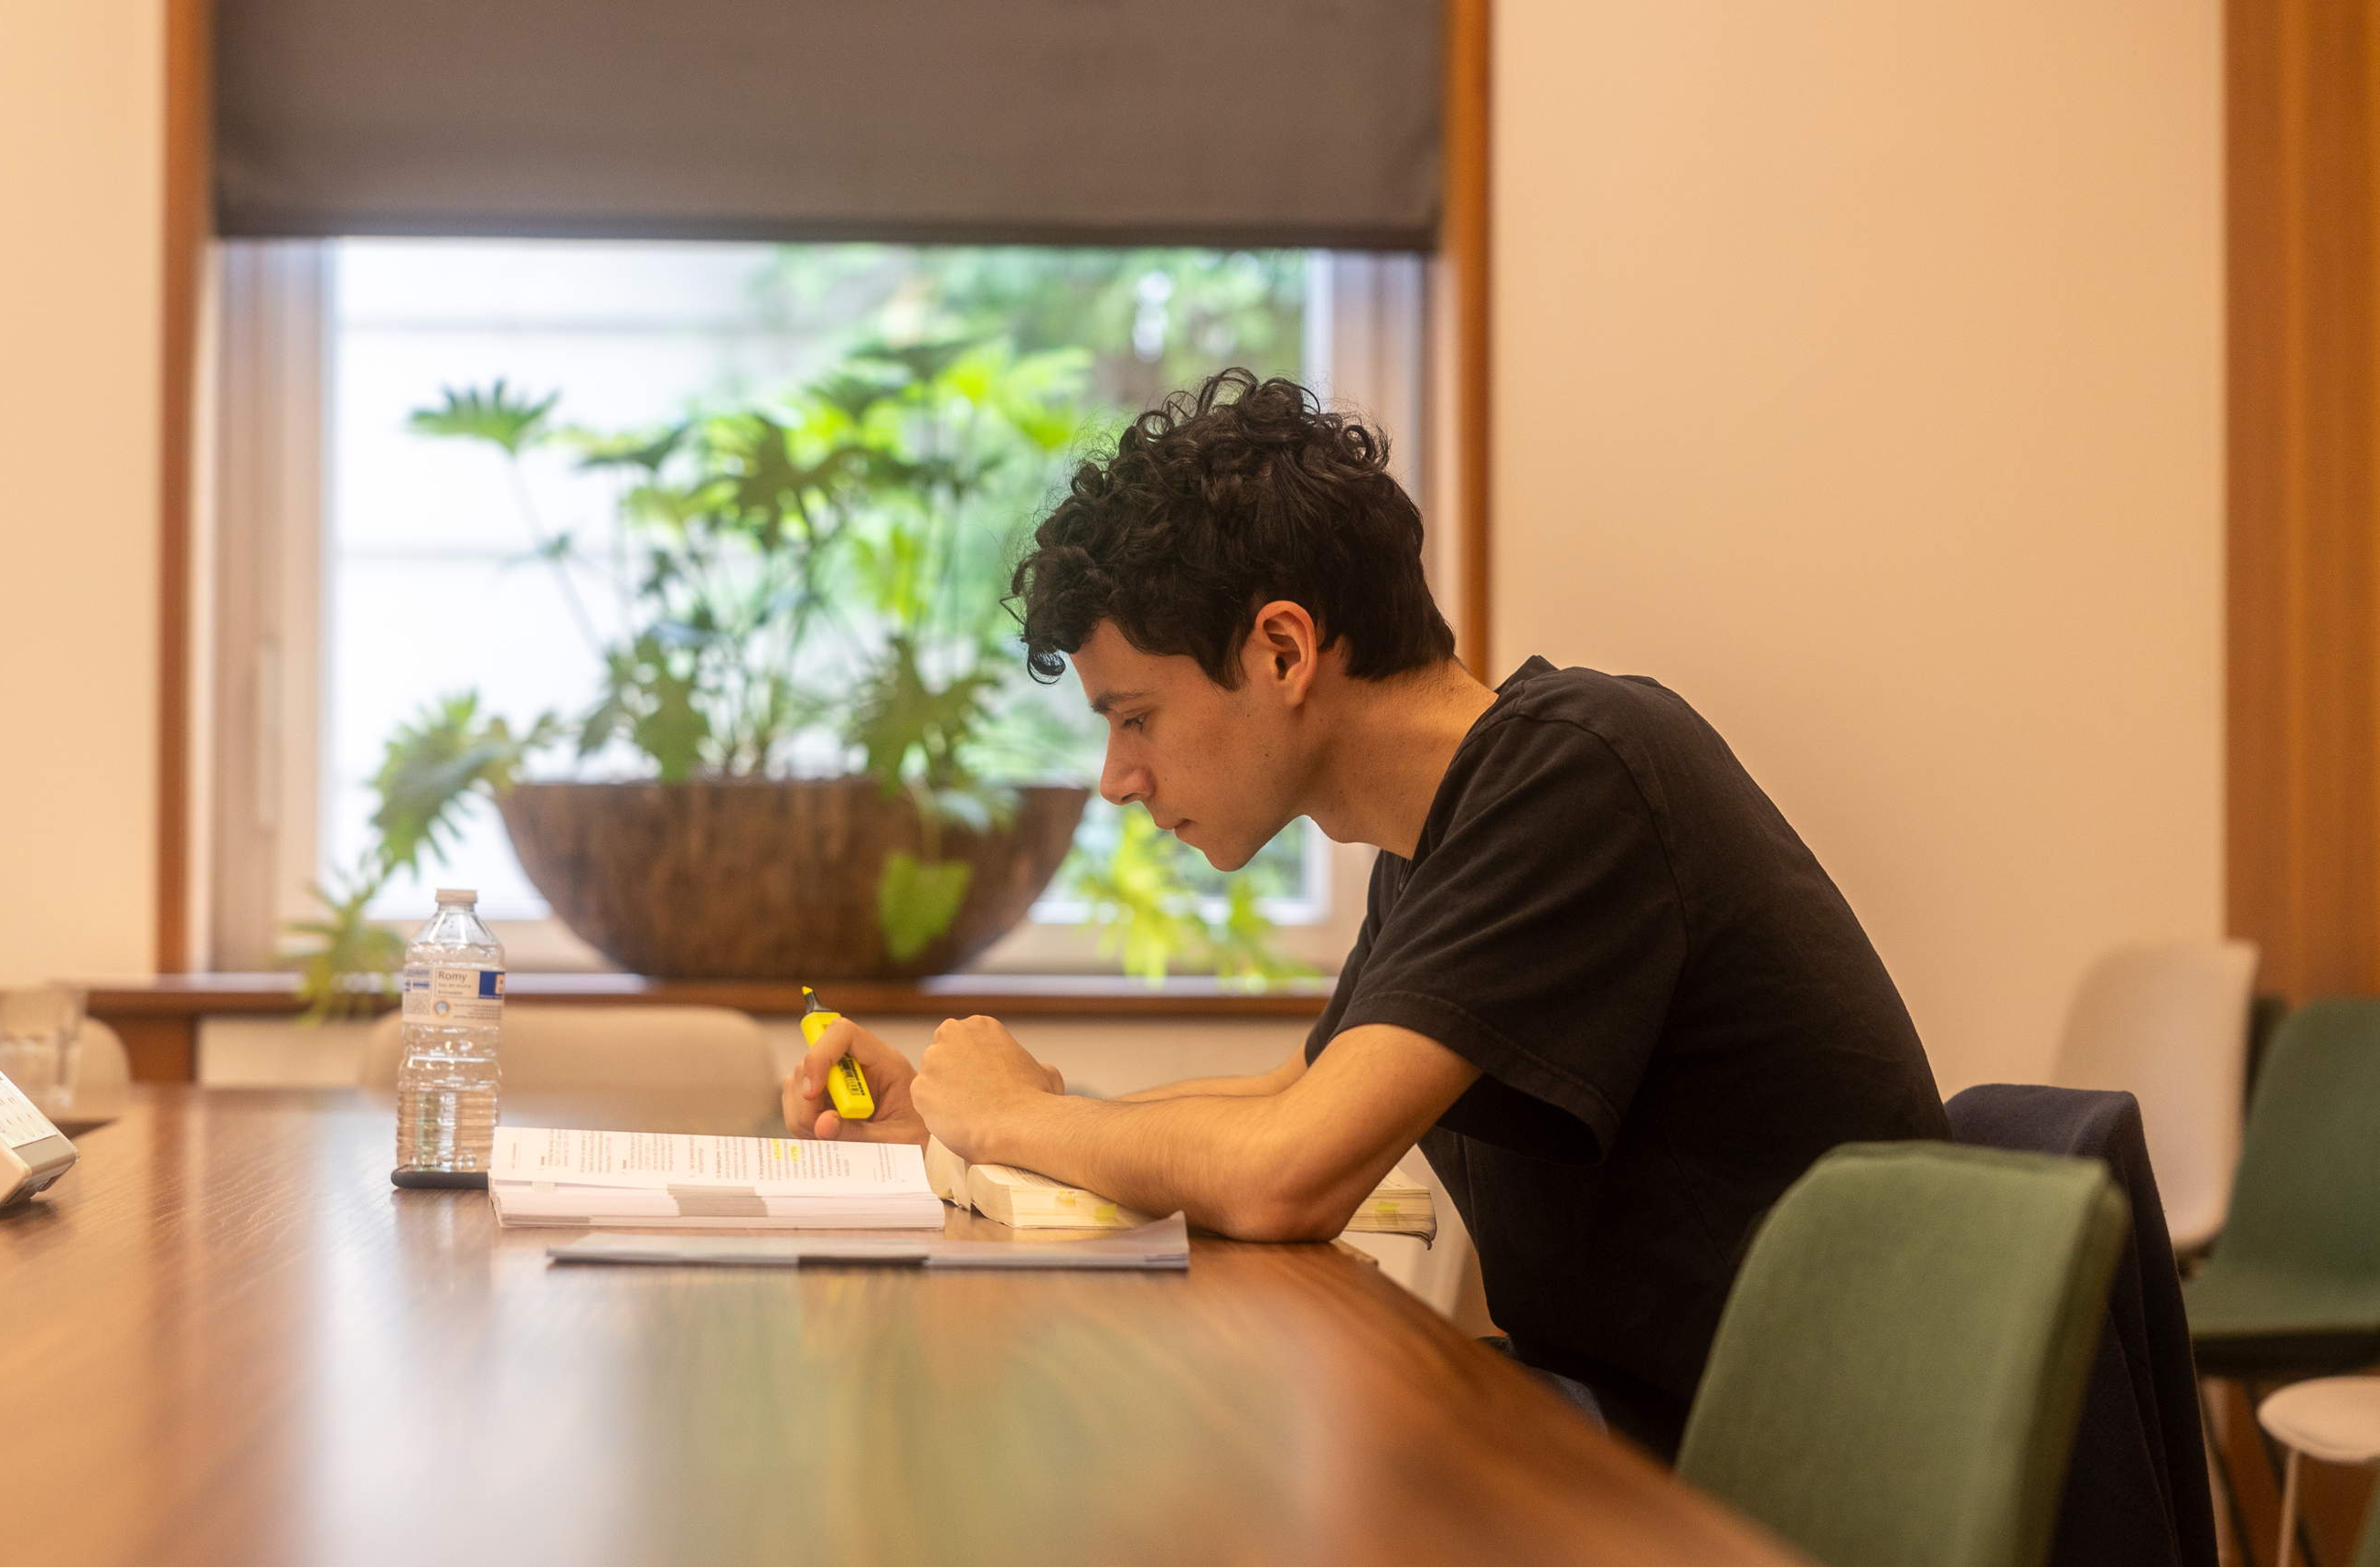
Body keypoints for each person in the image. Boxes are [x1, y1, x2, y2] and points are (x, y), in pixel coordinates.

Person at [780, 368, 1948, 1455]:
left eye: (1134, 717)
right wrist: (970, 1117)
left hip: (1779, 1490)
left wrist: (1011, 1125)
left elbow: (1288, 1170)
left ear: (1283, 649)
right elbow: (1298, 1095)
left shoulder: (1576, 771)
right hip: (1652, 1436)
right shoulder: (1451, 830)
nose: (1117, 779)